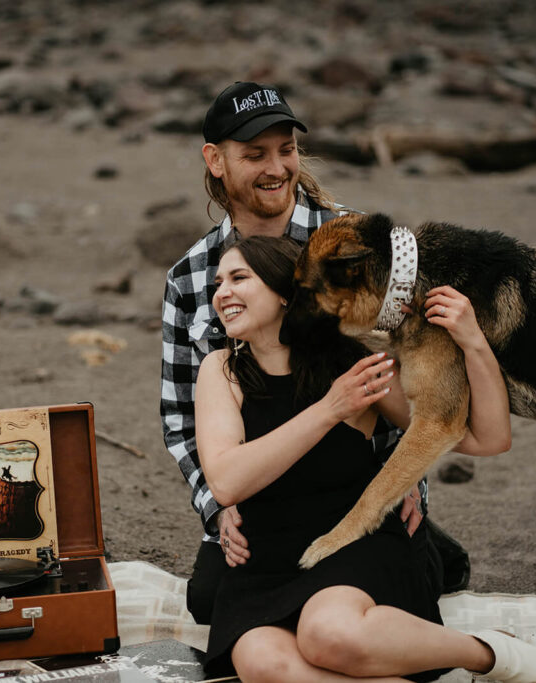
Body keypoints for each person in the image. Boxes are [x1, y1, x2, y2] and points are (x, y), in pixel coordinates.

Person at [195, 235, 536, 683]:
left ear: (286, 292)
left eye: (238, 278)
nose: (221, 292)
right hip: (266, 561)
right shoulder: (222, 370)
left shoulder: (355, 360)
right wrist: (330, 410)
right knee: (261, 663)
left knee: (328, 635)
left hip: (352, 546)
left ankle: (492, 652)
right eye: (218, 282)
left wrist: (475, 343)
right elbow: (226, 482)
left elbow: (487, 438)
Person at [160, 81, 467, 624]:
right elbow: (181, 415)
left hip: (353, 478)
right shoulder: (191, 277)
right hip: (263, 496)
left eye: (287, 150)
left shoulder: (354, 241)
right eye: (254, 155)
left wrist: (406, 485)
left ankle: (408, 544)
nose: (276, 168)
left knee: (390, 574)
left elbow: (412, 375)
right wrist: (218, 507)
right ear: (215, 161)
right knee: (207, 600)